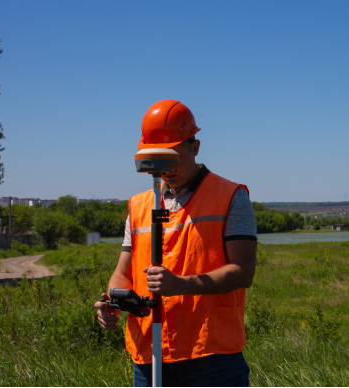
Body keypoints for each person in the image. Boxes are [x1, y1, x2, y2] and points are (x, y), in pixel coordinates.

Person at [94, 100, 257, 387]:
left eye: (172, 156)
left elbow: (243, 271)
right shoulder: (139, 206)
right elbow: (123, 270)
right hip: (149, 354)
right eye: (156, 157)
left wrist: (181, 285)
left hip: (211, 356)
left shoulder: (231, 196)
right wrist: (115, 300)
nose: (166, 168)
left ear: (194, 147)